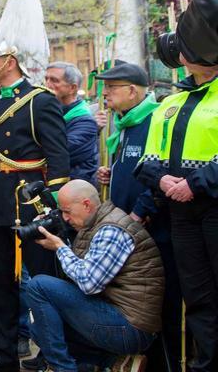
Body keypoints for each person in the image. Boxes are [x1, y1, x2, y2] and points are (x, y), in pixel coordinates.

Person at [0, 0, 70, 372]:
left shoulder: (40, 101)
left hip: (31, 201)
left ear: (10, 61)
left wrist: (55, 201)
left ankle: (50, 354)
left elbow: (59, 158)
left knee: (44, 281)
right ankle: (5, 354)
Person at [95, 60, 181, 372]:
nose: (106, 94)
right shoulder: (125, 123)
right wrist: (112, 172)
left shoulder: (154, 119)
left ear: (133, 90)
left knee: (161, 303)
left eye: (112, 88)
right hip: (128, 228)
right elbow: (132, 167)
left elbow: (160, 170)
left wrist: (141, 211)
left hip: (151, 229)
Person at [26, 180, 163, 372]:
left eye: (67, 212)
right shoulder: (93, 224)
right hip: (117, 317)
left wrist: (60, 248)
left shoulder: (112, 229)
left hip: (131, 327)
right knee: (39, 327)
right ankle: (114, 362)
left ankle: (64, 369)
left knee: (38, 286)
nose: (64, 218)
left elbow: (89, 284)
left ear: (86, 205)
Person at [137, 56, 218, 372]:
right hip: (180, 210)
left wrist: (196, 183)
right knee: (197, 296)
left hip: (212, 204)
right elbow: (146, 160)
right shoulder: (171, 102)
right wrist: (160, 178)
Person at [46, 62, 99, 185]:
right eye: (46, 79)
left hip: (75, 191)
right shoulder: (51, 111)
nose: (47, 84)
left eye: (54, 80)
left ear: (73, 88)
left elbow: (58, 152)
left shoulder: (85, 121)